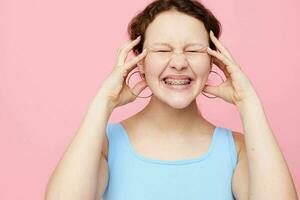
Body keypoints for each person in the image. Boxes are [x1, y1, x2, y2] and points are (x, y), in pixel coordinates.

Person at [45, 0, 298, 199]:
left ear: (213, 61)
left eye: (194, 50)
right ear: (140, 61)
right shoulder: (103, 145)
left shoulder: (239, 149)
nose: (178, 63)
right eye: (162, 50)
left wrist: (249, 102)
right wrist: (102, 103)